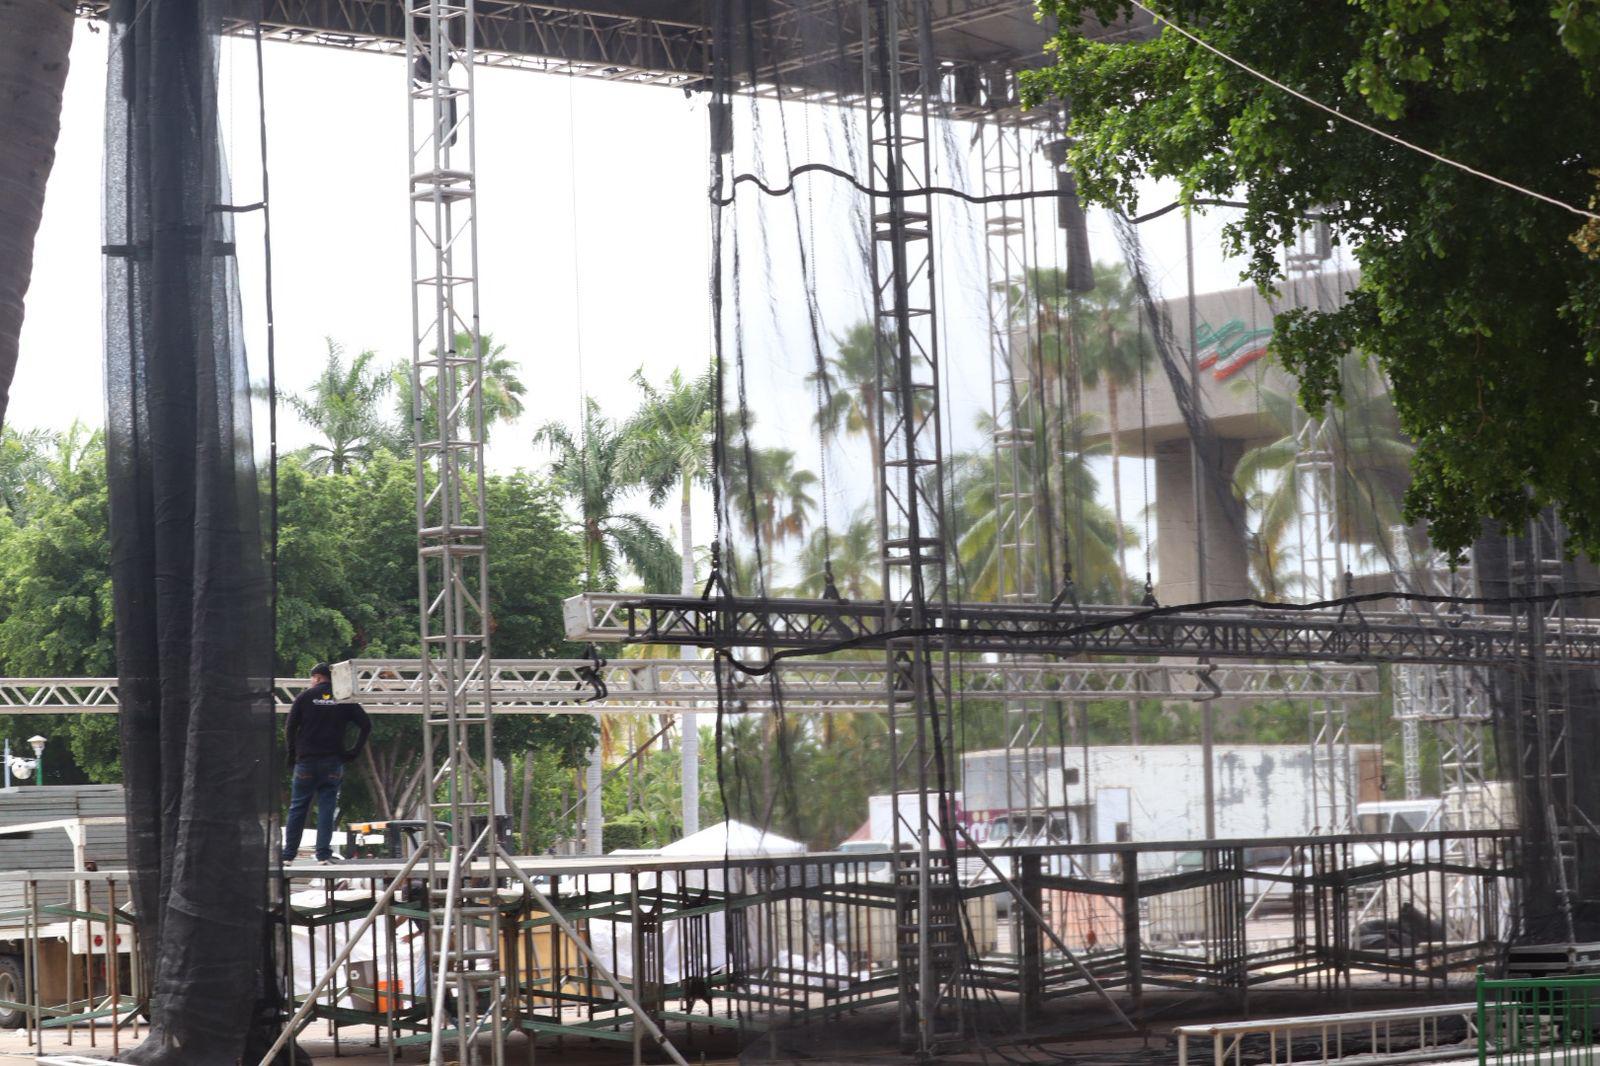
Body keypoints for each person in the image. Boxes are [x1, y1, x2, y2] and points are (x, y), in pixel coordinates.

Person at [281, 663, 372, 864]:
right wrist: (353, 752)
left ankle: (288, 855)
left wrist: (292, 754)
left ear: (316, 678)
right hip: (332, 762)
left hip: (306, 762)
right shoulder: (343, 699)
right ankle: (323, 855)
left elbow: (289, 728)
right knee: (327, 809)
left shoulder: (304, 698)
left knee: (298, 808)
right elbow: (366, 725)